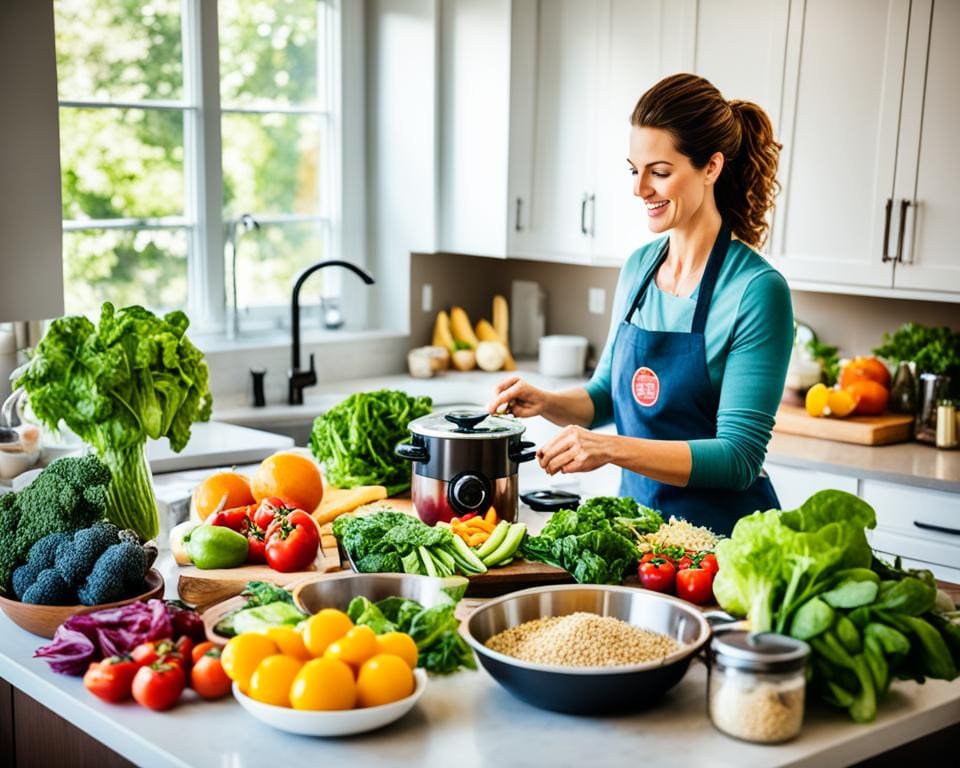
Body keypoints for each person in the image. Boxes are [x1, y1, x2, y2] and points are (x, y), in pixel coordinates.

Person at [488, 73, 793, 536]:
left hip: (725, 549)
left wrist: (609, 449)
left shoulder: (756, 290)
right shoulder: (638, 269)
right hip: (641, 533)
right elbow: (609, 395)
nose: (640, 189)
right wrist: (546, 402)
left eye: (660, 172)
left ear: (711, 167)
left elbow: (738, 457)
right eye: (635, 170)